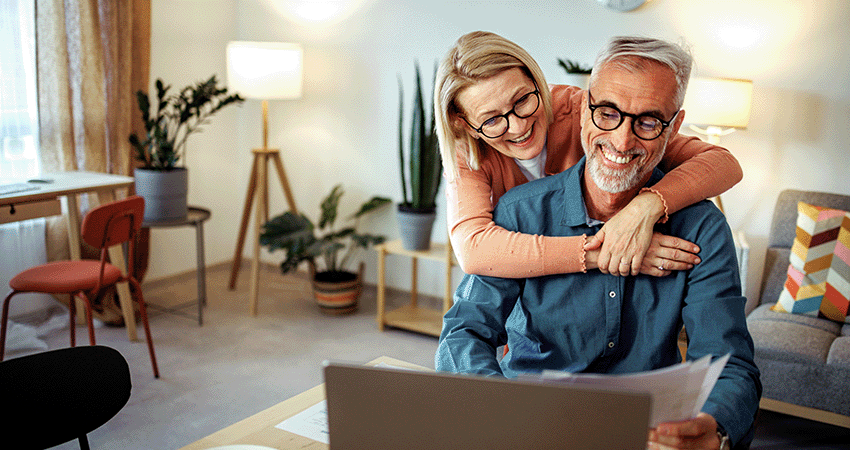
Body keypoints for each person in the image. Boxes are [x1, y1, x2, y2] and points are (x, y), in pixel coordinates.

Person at [436, 36, 761, 450]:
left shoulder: (702, 229)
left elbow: (729, 365)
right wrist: (502, 408)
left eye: (647, 122)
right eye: (608, 113)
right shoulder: (514, 208)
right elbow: (463, 332)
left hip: (648, 431)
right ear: (587, 110)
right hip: (529, 422)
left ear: (674, 127)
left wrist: (715, 429)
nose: (623, 142)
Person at [435, 31, 744, 278]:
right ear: (467, 125)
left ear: (536, 81)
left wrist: (645, 207)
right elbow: (474, 250)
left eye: (523, 100)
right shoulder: (468, 152)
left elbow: (723, 163)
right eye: (491, 120)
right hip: (526, 293)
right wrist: (606, 251)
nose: (518, 126)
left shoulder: (591, 114)